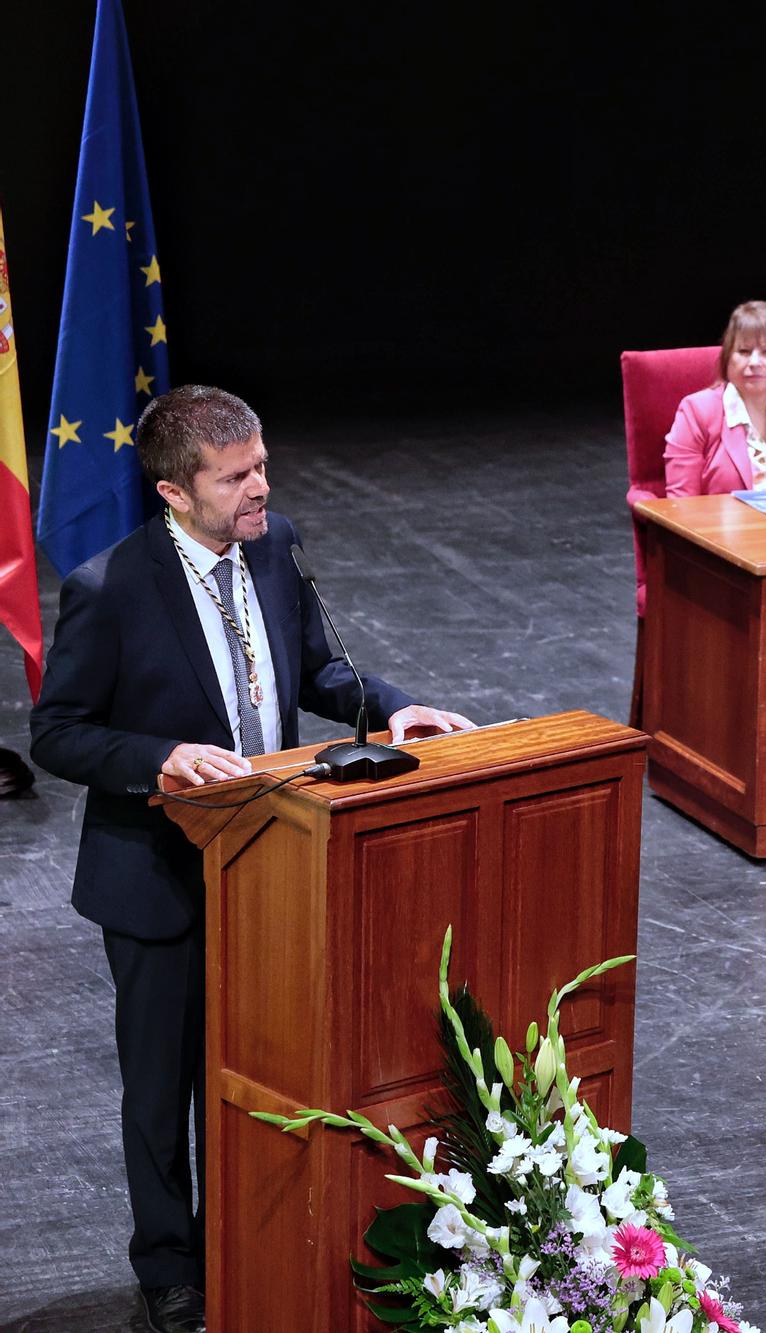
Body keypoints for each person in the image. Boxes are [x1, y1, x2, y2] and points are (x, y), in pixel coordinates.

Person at [29, 386, 472, 1333]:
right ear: (174, 493)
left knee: (262, 1072)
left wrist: (389, 705)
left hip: (275, 870)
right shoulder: (108, 589)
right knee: (162, 1088)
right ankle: (169, 1268)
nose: (262, 487)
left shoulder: (275, 548)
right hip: (157, 879)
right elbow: (57, 734)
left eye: (262, 464)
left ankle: (253, 1236)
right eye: (237, 477)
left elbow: (314, 667)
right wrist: (159, 755)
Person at [663, 300, 766, 497]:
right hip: (717, 528)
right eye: (744, 352)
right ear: (727, 358)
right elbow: (681, 505)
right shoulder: (696, 411)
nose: (754, 362)